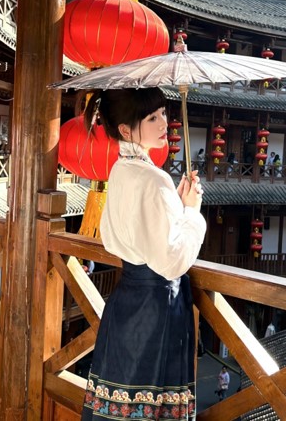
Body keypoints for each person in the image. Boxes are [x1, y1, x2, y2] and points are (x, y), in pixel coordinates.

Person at [81, 88, 206, 420]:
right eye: (152, 117)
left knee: (120, 399)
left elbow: (127, 233)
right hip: (157, 307)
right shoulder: (154, 178)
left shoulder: (120, 169)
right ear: (125, 129)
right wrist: (191, 211)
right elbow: (171, 261)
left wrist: (174, 204)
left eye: (163, 113)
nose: (164, 123)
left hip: (127, 301)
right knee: (154, 401)